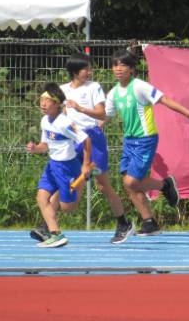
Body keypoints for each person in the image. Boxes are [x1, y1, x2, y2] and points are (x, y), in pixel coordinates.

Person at [105, 50, 189, 236]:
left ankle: (164, 186)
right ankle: (149, 222)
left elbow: (164, 99)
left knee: (131, 181)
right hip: (129, 141)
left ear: (131, 69)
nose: (118, 69)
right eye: (115, 65)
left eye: (123, 65)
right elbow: (104, 117)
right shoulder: (113, 93)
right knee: (129, 184)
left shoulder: (139, 87)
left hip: (145, 139)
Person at [61, 52, 134, 244]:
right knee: (64, 179)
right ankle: (48, 225)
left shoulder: (94, 87)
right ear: (75, 71)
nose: (90, 72)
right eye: (86, 68)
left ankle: (123, 223)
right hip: (71, 140)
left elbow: (101, 114)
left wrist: (80, 109)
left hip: (92, 138)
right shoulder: (62, 90)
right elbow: (60, 116)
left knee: (103, 185)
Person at [26, 82, 92, 248]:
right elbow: (46, 145)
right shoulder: (44, 121)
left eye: (47, 100)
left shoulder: (64, 123)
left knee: (67, 206)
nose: (43, 103)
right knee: (41, 197)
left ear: (56, 104)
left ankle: (81, 179)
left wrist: (85, 165)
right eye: (42, 99)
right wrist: (35, 149)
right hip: (52, 164)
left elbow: (86, 140)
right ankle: (55, 233)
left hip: (67, 167)